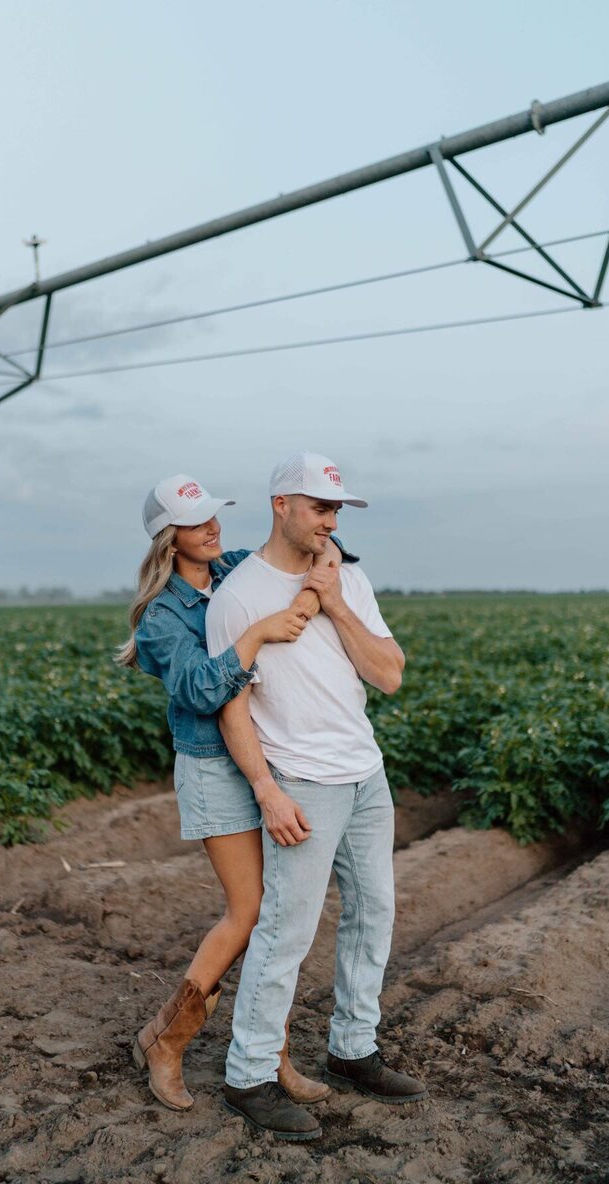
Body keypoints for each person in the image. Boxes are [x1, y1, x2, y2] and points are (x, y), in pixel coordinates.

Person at [205, 451, 427, 1142]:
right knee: (286, 930)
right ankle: (248, 1075)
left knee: (374, 912)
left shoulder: (347, 579)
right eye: (320, 507)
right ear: (281, 505)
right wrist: (267, 791)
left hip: (365, 774)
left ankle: (353, 1048)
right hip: (302, 782)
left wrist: (332, 601)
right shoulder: (239, 596)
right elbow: (232, 708)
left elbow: (389, 674)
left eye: (337, 509)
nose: (330, 520)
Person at [117, 472, 357, 1112]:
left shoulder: (233, 571)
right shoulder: (161, 618)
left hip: (265, 757)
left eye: (213, 515)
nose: (212, 528)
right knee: (249, 912)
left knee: (276, 914)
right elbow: (199, 690)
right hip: (213, 769)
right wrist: (256, 634)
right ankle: (165, 1040)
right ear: (168, 538)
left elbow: (320, 550)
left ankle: (271, 1055)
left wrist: (324, 563)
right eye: (195, 522)